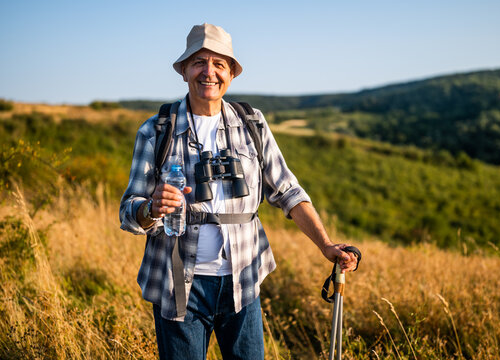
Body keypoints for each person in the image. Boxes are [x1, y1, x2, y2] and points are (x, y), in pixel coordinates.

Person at [119, 23, 357, 360]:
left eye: (219, 64)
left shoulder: (252, 123)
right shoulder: (157, 131)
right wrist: (151, 209)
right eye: (199, 62)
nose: (209, 72)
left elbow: (287, 189)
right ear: (184, 70)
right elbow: (128, 210)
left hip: (243, 280)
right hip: (177, 284)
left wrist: (326, 244)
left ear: (231, 73)